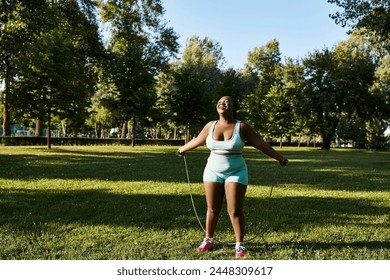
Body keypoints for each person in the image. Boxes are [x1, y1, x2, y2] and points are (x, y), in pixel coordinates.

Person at [176, 96, 288, 258]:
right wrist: (182, 149)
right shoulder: (210, 125)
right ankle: (208, 239)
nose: (222, 103)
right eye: (220, 102)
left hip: (236, 172)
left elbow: (261, 144)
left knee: (235, 210)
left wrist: (280, 158)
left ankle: (239, 244)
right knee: (212, 208)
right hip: (212, 171)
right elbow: (198, 140)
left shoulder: (241, 127)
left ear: (234, 107)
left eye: (227, 102)